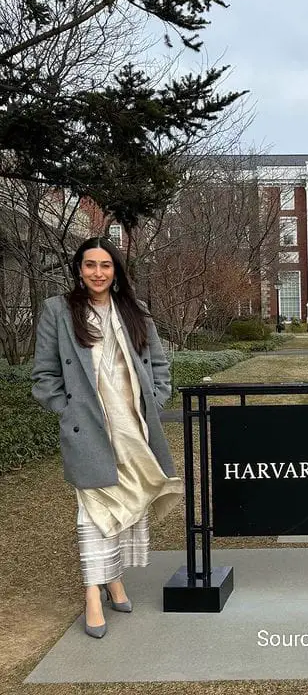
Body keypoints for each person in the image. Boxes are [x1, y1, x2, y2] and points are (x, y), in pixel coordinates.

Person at [32, 236, 183, 639]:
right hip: (88, 431)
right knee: (94, 510)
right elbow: (44, 376)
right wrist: (69, 410)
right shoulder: (58, 311)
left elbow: (160, 365)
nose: (97, 273)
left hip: (133, 429)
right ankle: (92, 595)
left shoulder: (135, 311)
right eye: (89, 265)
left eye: (105, 265)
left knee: (128, 506)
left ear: (115, 271)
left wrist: (154, 399)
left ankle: (114, 580)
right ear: (78, 270)